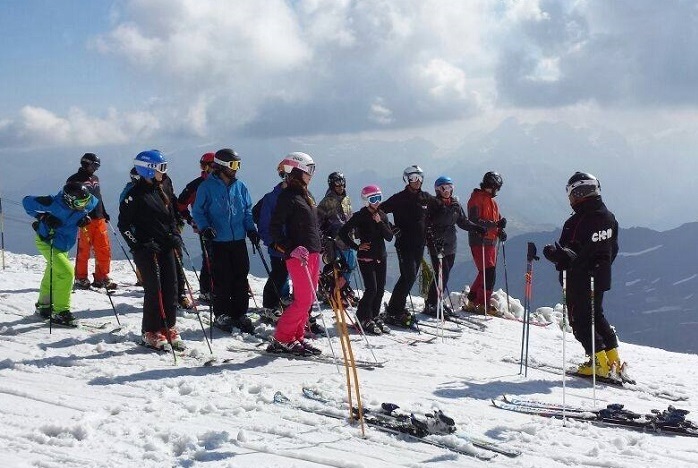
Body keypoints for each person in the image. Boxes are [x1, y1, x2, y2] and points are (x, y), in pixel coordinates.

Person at [543, 172, 625, 379]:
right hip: (601, 277)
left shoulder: (576, 222)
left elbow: (568, 255)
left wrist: (551, 254)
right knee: (597, 315)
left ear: (579, 193)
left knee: (580, 321)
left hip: (578, 280)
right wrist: (601, 267)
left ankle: (598, 363)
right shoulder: (608, 217)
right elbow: (612, 248)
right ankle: (613, 359)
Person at [118, 150, 184, 350]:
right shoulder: (134, 195)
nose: (164, 172)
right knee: (154, 289)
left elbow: (170, 214)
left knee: (171, 287)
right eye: (161, 168)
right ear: (148, 170)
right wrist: (139, 244)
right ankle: (150, 331)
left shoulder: (162, 187)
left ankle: (168, 326)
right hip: (147, 249)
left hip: (165, 246)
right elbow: (124, 226)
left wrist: (175, 234)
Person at [191, 148, 259, 335]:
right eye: (233, 165)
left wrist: (251, 229)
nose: (236, 169)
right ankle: (222, 314)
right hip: (218, 240)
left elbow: (246, 211)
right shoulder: (206, 187)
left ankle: (240, 313)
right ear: (221, 166)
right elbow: (198, 211)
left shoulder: (240, 186)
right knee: (222, 278)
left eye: (238, 165)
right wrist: (205, 227)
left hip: (238, 240)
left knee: (240, 277)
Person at [267, 152, 323, 356]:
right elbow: (274, 228)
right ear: (297, 170)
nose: (312, 174)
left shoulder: (305, 195)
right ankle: (282, 338)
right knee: (302, 300)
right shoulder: (288, 196)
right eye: (309, 170)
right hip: (298, 255)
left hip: (313, 253)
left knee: (308, 301)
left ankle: (296, 336)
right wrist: (290, 249)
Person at [23, 182, 97, 325]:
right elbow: (27, 202)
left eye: (85, 201)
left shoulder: (85, 202)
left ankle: (44, 306)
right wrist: (43, 217)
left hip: (64, 244)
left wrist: (84, 218)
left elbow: (92, 204)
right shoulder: (52, 203)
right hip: (47, 242)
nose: (84, 205)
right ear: (69, 199)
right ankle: (60, 312)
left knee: (53, 272)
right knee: (66, 273)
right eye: (80, 203)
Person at [380, 165, 437, 327]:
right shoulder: (399, 198)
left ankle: (396, 308)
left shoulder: (426, 198)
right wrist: (391, 228)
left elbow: (439, 209)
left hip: (420, 245)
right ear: (406, 179)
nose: (417, 181)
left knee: (409, 277)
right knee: (409, 276)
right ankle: (393, 310)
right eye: (413, 178)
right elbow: (379, 211)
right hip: (404, 245)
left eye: (419, 177)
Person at [424, 176, 486, 317]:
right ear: (437, 190)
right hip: (437, 244)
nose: (447, 190)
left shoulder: (455, 204)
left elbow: (462, 222)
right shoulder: (434, 204)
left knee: (445, 275)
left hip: (451, 244)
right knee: (441, 274)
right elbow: (432, 222)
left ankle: (435, 302)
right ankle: (432, 303)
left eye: (449, 187)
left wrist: (477, 228)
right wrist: (431, 240)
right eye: (443, 188)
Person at [338, 185, 393, 335]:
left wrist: (379, 222)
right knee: (371, 289)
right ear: (366, 201)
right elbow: (343, 232)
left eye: (378, 198)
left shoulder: (382, 215)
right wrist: (356, 247)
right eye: (373, 199)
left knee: (380, 290)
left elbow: (389, 236)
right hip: (366, 257)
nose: (376, 202)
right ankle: (363, 317)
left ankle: (374, 316)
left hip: (381, 257)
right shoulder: (359, 216)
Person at [67, 153, 116, 290]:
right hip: (84, 220)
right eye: (95, 165)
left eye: (98, 166)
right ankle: (81, 277)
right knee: (84, 250)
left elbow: (98, 197)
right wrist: (77, 217)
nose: (96, 168)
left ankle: (102, 277)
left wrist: (104, 211)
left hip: (99, 218)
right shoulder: (74, 180)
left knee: (104, 249)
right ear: (86, 163)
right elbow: (70, 202)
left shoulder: (95, 178)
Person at [252, 158, 293, 323]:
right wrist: (271, 241)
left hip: (291, 245)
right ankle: (270, 305)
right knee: (279, 274)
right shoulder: (272, 198)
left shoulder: (295, 195)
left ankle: (281, 299)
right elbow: (263, 223)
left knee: (284, 274)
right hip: (278, 245)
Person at [465, 171, 506, 315]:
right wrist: (496, 225)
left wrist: (500, 231)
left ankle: (472, 299)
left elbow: (496, 222)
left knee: (485, 272)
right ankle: (483, 304)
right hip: (479, 241)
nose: (497, 191)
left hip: (490, 241)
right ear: (491, 186)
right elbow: (474, 221)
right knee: (489, 273)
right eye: (496, 188)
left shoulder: (492, 202)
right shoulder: (476, 199)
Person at [176, 152, 215, 303]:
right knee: (209, 258)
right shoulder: (196, 185)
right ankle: (206, 290)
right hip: (205, 227)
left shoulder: (223, 183)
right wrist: (191, 220)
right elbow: (180, 205)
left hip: (222, 227)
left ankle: (217, 288)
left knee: (220, 258)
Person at [317, 172, 357, 305]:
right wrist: (322, 238)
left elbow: (349, 218)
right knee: (345, 266)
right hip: (335, 240)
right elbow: (317, 221)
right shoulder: (327, 201)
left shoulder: (346, 199)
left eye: (342, 182)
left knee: (349, 264)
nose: (340, 185)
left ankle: (342, 289)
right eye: (337, 183)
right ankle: (335, 292)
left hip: (348, 239)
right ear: (331, 184)